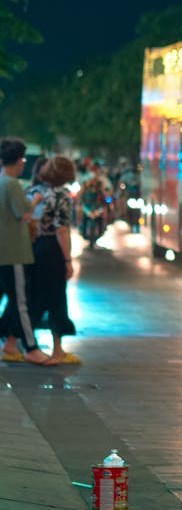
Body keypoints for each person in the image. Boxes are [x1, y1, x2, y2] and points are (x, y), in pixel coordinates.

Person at [0, 137, 50, 364]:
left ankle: (10, 344)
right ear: (19, 162)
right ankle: (31, 347)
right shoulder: (12, 184)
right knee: (21, 302)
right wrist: (37, 199)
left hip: (5, 250)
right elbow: (24, 213)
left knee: (12, 299)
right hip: (15, 252)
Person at [29, 155, 80, 365]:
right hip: (52, 250)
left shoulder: (36, 192)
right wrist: (68, 260)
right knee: (57, 297)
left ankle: (20, 342)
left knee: (36, 295)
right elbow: (61, 230)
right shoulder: (62, 197)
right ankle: (57, 350)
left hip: (35, 247)